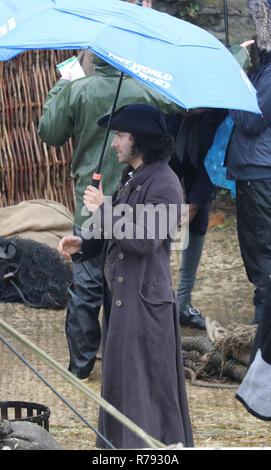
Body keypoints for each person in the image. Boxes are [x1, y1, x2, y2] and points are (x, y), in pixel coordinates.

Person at [38, 16, 182, 381]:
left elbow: (49, 133)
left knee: (89, 285)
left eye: (121, 134)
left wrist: (64, 83)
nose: (116, 140)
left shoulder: (78, 87)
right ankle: (115, 357)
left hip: (95, 201)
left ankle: (82, 366)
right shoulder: (146, 87)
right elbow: (176, 103)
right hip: (112, 200)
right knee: (117, 278)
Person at [58, 104, 194, 449]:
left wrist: (102, 209)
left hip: (146, 307)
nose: (114, 142)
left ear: (141, 140)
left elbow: (145, 240)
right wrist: (84, 243)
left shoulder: (165, 183)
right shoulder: (135, 178)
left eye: (121, 135)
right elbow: (118, 229)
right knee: (121, 388)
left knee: (145, 392)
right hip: (124, 303)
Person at [225, 0, 271, 326]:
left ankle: (261, 351)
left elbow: (250, 120)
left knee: (262, 262)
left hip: (259, 177)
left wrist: (233, 76)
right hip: (255, 173)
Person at [167, 109, 226, 329]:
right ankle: (154, 298)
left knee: (198, 220)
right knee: (158, 220)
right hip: (167, 156)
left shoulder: (219, 112)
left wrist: (196, 202)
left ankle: (182, 302)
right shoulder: (165, 103)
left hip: (203, 162)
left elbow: (218, 158)